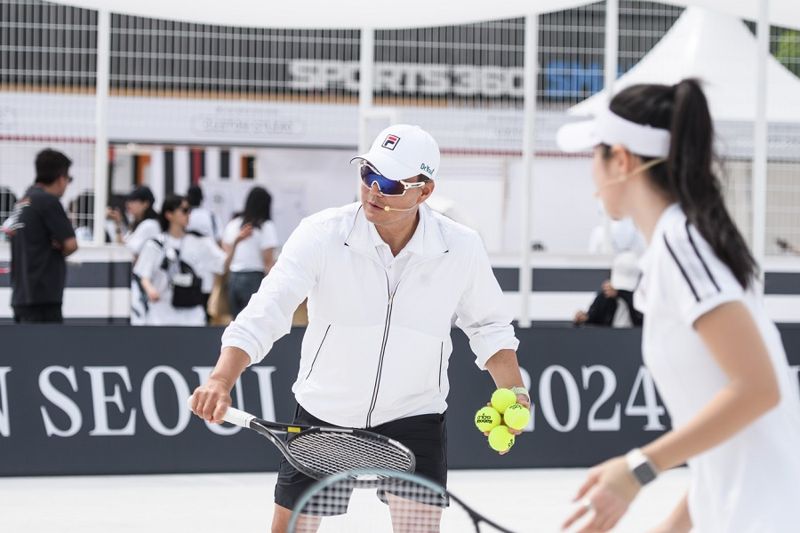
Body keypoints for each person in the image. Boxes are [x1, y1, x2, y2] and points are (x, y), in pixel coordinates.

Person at [189, 124, 530, 533]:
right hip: (324, 411)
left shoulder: (460, 247)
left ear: (424, 191)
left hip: (415, 413)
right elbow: (268, 308)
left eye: (389, 182)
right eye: (367, 173)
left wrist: (514, 392)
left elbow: (489, 324)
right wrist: (221, 378)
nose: (373, 190)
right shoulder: (322, 233)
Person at [557, 79, 800, 532]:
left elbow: (759, 388)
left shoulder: (682, 245)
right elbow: (730, 439)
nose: (590, 170)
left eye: (595, 153)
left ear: (622, 160)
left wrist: (637, 468)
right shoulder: (679, 244)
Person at [132, 195, 248, 327]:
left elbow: (222, 265)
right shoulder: (155, 244)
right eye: (184, 210)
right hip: (161, 313)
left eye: (189, 210)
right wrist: (150, 290)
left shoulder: (199, 241)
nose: (188, 215)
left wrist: (235, 244)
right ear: (169, 214)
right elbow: (144, 275)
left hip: (192, 313)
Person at [5, 148, 77, 323]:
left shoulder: (22, 202)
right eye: (68, 179)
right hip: (43, 298)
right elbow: (71, 244)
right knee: (49, 349)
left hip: (21, 295)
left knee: (26, 349)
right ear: (61, 178)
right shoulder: (49, 202)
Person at [222, 186, 278, 318]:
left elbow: (225, 249)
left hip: (233, 278)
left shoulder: (233, 225)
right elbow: (268, 261)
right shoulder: (265, 226)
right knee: (254, 322)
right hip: (254, 278)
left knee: (237, 322)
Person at [573, 251, 642, 328]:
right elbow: (593, 320)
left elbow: (642, 319)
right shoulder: (604, 297)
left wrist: (622, 295)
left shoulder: (643, 299)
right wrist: (584, 319)